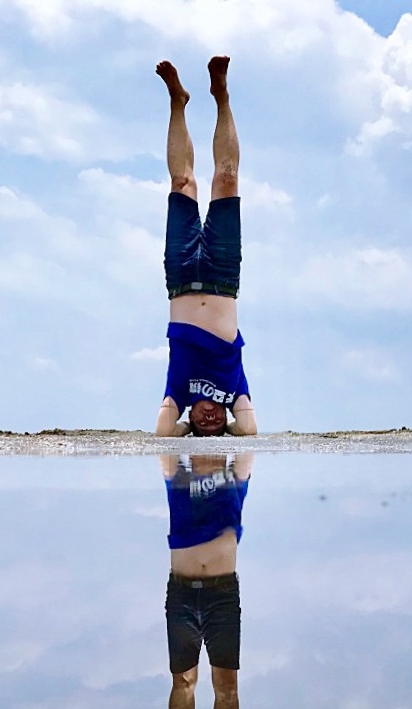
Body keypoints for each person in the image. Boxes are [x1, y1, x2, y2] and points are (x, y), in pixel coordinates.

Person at [154, 56, 257, 438]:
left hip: (180, 274)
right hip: (223, 276)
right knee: (226, 181)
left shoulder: (177, 392)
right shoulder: (235, 390)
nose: (211, 419)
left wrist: (183, 428)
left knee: (183, 184)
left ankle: (177, 101)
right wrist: (230, 421)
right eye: (217, 423)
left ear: (190, 420)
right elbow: (248, 429)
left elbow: (164, 432)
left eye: (203, 423)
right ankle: (222, 96)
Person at [157, 452, 252, 709]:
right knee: (183, 680)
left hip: (222, 595)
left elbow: (248, 435)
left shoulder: (234, 484)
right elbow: (163, 441)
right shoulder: (179, 482)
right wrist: (184, 423)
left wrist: (227, 419)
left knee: (226, 684)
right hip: (181, 592)